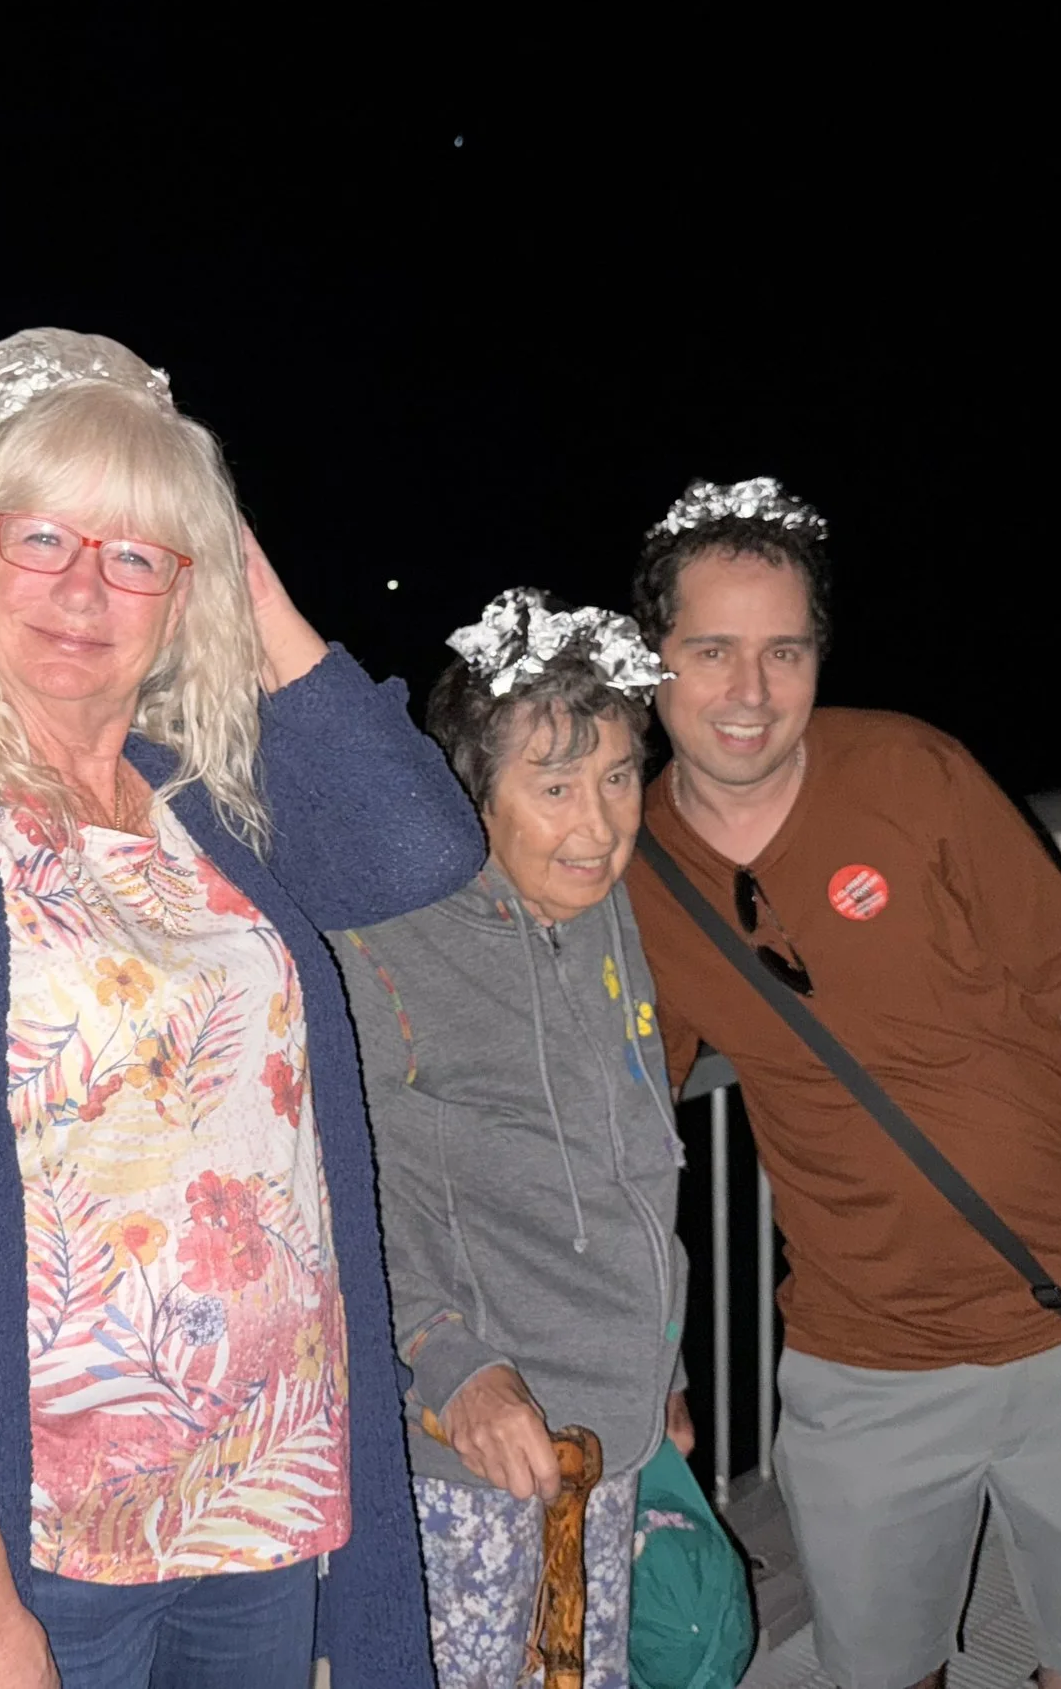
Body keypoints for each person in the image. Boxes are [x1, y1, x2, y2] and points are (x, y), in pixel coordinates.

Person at [0, 328, 482, 1689]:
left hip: (261, 1509)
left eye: (135, 553)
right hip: (44, 1545)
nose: (86, 587)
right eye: (45, 538)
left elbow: (418, 845)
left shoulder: (204, 800)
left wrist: (207, 518)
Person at [621, 477, 1061, 1689]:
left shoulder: (912, 771)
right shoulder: (637, 872)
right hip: (863, 1356)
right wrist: (646, 1357)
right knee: (882, 1670)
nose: (750, 693)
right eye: (712, 652)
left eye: (783, 652)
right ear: (654, 662)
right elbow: (629, 1140)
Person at [332, 588, 695, 1689]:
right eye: (553, 787)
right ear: (473, 795)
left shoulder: (600, 909)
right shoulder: (388, 936)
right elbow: (355, 1172)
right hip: (480, 1445)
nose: (599, 824)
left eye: (619, 776)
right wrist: (447, 1362)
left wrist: (663, 1361)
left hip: (614, 1418)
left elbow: (632, 1142)